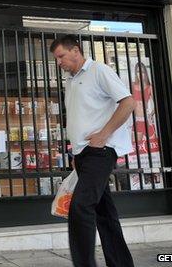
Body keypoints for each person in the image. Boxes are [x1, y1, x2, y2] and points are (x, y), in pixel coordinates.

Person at [50, 34, 136, 267]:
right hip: (84, 154)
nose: (59, 63)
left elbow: (128, 102)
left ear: (76, 51)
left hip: (101, 151)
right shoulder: (70, 80)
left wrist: (103, 134)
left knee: (80, 206)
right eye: (57, 59)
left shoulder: (99, 71)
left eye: (61, 57)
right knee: (104, 213)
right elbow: (81, 118)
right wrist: (75, 154)